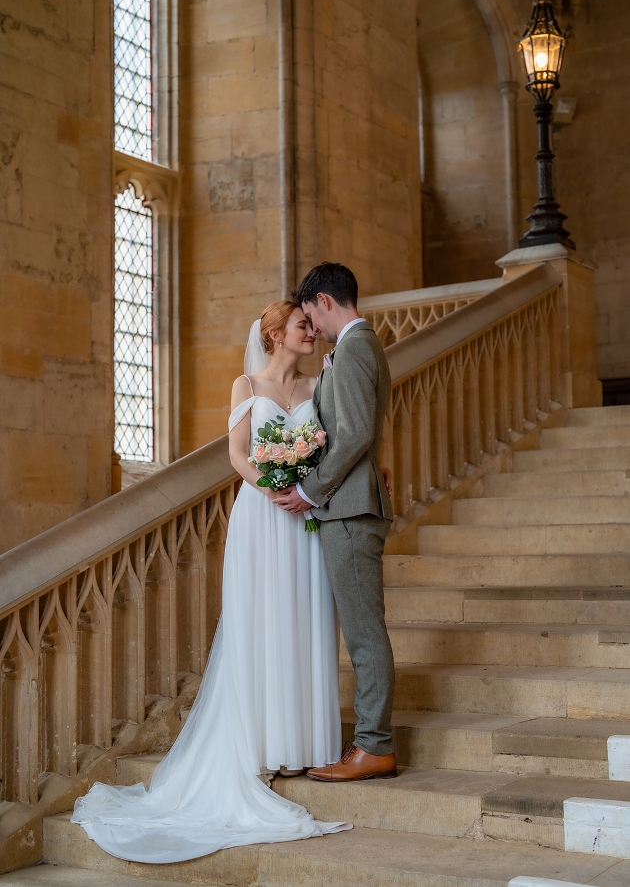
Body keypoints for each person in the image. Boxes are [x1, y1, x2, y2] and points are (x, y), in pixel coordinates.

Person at [71, 300, 351, 863]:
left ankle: (306, 745)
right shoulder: (245, 383)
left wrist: (307, 485)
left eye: (312, 326)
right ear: (275, 334)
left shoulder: (321, 382)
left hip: (306, 515)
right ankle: (268, 744)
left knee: (307, 617)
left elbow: (333, 442)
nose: (311, 332)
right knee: (264, 621)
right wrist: (273, 481)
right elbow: (236, 453)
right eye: (301, 326)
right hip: (264, 514)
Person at [276, 263, 397, 782]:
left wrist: (307, 490)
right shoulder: (364, 345)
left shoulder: (350, 350)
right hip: (352, 505)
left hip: (346, 511)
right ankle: (371, 742)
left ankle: (374, 745)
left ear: (325, 301)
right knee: (364, 631)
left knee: (365, 635)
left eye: (310, 315)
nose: (313, 327)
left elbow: (351, 436)